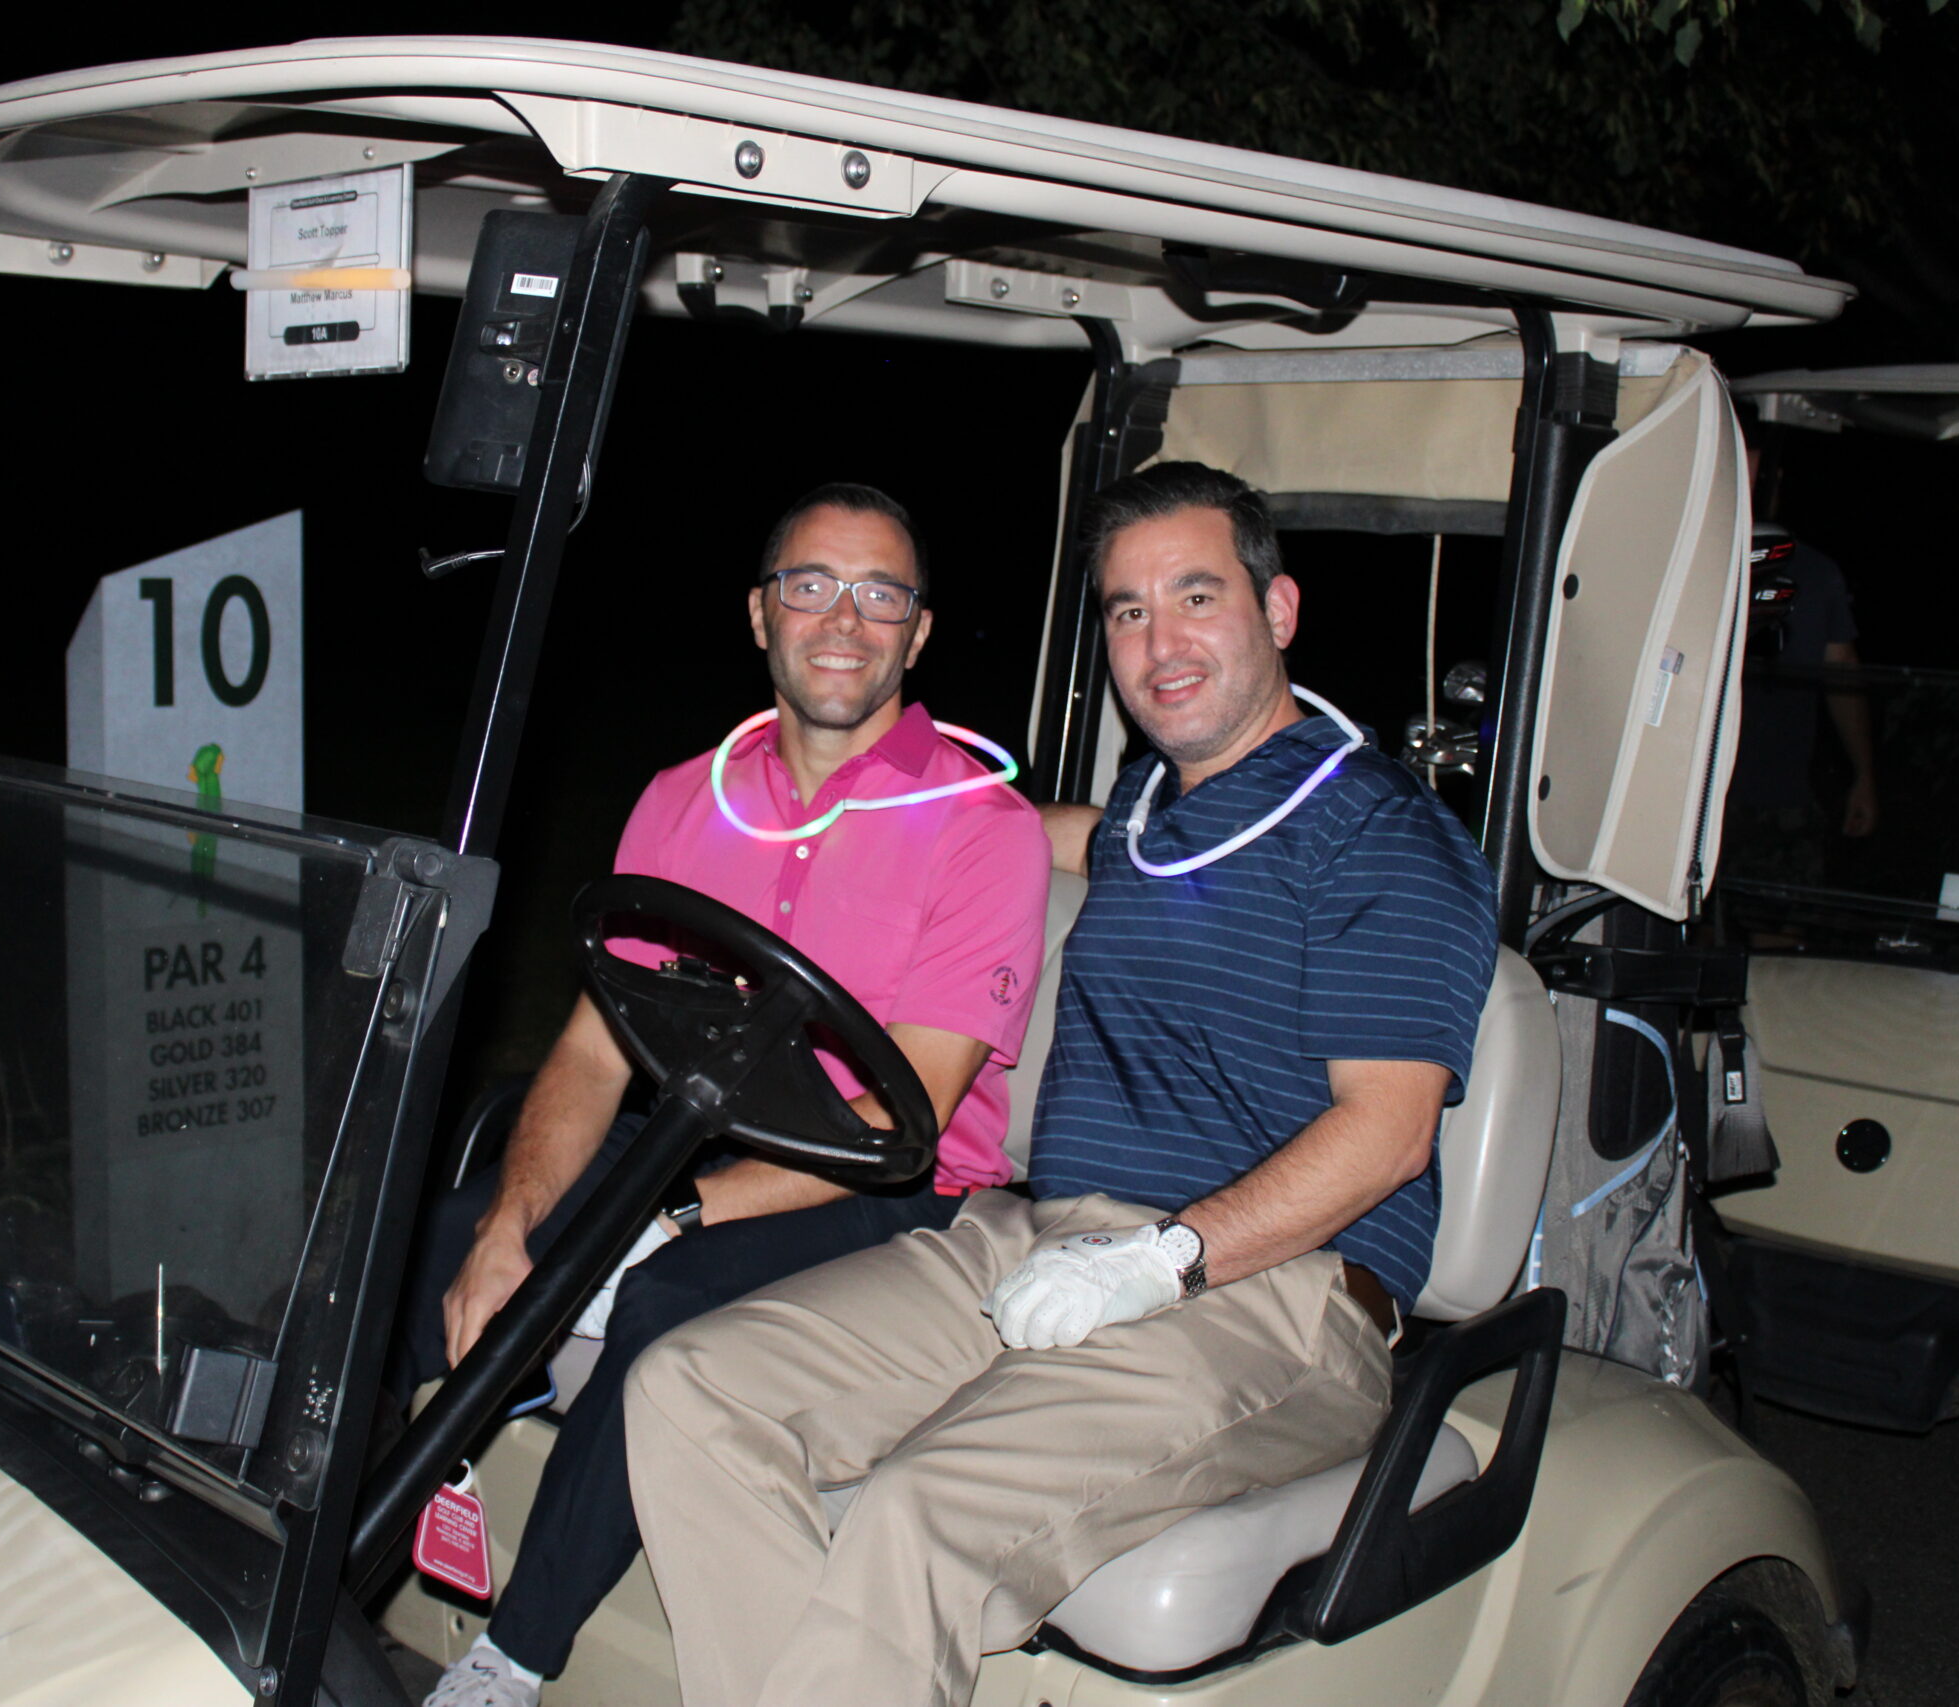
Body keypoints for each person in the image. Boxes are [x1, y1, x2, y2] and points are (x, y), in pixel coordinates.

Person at [622, 462, 1498, 1707]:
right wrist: (883, 822)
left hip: (1264, 1294)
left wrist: (1161, 1261)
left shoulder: (1379, 839)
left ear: (1280, 612)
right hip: (1035, 1240)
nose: (1160, 641)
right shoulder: (1159, 807)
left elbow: (1387, 1136)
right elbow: (1061, 836)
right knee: (689, 1391)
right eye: (1127, 610)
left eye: (1197, 597)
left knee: (919, 1511)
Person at [403, 483, 1052, 1707]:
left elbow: (890, 1125)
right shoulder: (681, 799)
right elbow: (596, 1053)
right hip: (689, 1139)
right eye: (810, 585)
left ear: (917, 634)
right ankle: (306, 1538)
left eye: (880, 595)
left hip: (879, 1188)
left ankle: (512, 1660)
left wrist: (658, 1223)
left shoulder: (979, 829)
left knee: (664, 1306)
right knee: (426, 1239)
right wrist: (505, 1224)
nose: (842, 621)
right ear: (761, 614)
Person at [1727, 441, 1877, 886]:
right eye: (1740, 475)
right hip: (1699, 795)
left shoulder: (1816, 572)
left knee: (1780, 934)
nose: (1751, 490)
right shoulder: (1686, 564)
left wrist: (1865, 775)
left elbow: (1842, 673)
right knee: (1695, 933)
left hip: (1783, 799)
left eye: (1760, 478)